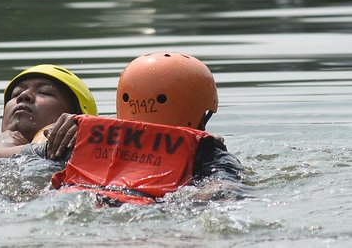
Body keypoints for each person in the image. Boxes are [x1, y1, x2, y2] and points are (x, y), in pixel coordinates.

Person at [49, 52, 244, 205]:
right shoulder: (206, 151)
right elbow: (225, 191)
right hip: (156, 210)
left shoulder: (82, 138)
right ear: (201, 114)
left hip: (73, 201)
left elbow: (22, 155)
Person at [0, 64, 98, 157]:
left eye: (44, 92)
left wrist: (86, 132)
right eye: (16, 94)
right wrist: (7, 145)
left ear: (76, 115)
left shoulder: (88, 144)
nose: (24, 95)